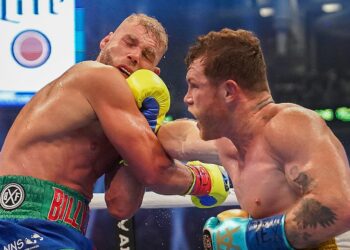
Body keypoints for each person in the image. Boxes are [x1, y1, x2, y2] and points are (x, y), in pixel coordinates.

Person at [0, 14, 229, 249]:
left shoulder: (118, 123)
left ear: (154, 73)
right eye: (129, 43)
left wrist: (146, 128)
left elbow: (121, 205)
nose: (134, 56)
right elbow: (155, 171)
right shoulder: (96, 75)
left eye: (147, 55)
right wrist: (204, 179)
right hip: (19, 224)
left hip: (58, 231)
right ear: (106, 41)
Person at [158, 28, 350, 249]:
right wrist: (133, 112)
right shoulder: (227, 141)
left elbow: (339, 207)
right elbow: (179, 139)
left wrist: (251, 237)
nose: (187, 98)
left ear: (229, 92)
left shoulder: (290, 125)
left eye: (195, 85)